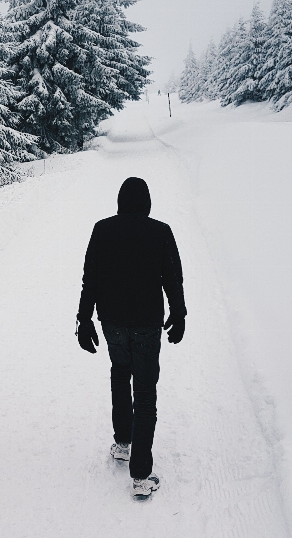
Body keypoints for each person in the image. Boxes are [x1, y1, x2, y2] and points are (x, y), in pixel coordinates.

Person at [76, 177, 186, 499]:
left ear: (121, 201)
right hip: (146, 325)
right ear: (147, 202)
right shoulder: (160, 232)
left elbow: (90, 280)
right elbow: (173, 278)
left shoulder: (102, 230)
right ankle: (140, 474)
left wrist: (84, 320)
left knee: (120, 374)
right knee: (146, 390)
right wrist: (179, 314)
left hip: (111, 323)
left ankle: (123, 443)